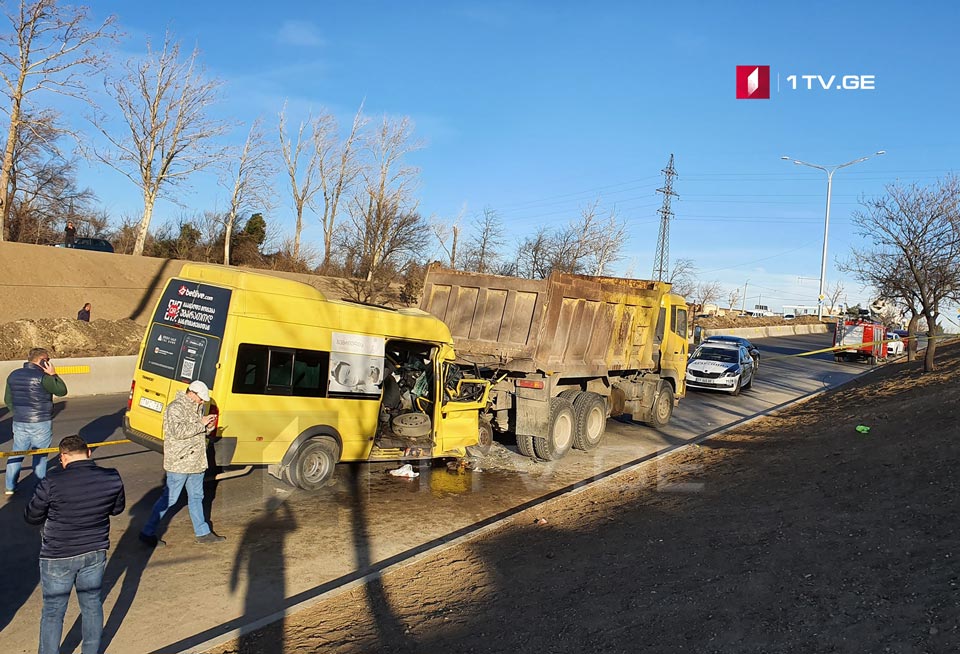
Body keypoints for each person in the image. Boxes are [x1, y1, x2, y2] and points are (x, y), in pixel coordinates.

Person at [24, 435, 125, 654]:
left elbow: (32, 516)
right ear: (88, 453)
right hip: (95, 551)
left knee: (53, 611)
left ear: (63, 457)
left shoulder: (51, 482)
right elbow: (117, 509)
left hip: (57, 555)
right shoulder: (112, 477)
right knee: (91, 605)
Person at [139, 380, 225, 546]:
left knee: (197, 496)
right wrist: (201, 423)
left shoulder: (196, 406)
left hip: (196, 462)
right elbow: (178, 432)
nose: (203, 402)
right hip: (180, 462)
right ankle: (147, 532)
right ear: (192, 393)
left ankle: (203, 532)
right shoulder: (175, 408)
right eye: (201, 398)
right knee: (170, 498)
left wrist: (208, 427)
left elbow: (197, 431)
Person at [5, 348, 68, 496]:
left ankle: (10, 487)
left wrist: (18, 412)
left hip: (20, 421)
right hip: (40, 421)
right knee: (40, 455)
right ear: (42, 360)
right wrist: (53, 374)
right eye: (48, 360)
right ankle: (39, 487)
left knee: (17, 453)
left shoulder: (13, 375)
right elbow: (62, 390)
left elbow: (8, 400)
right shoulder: (44, 377)